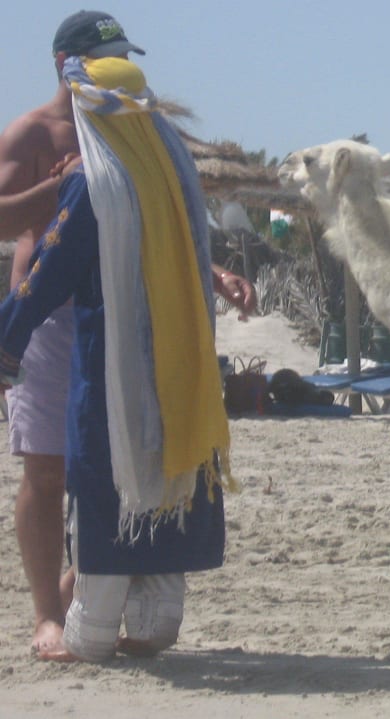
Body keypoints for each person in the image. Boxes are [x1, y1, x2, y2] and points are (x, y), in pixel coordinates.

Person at [0, 11, 245, 662]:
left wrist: (212, 272)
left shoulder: (137, 132)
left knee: (116, 460)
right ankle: (50, 615)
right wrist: (64, 187)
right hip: (51, 322)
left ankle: (93, 599)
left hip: (123, 313)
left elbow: (164, 225)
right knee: (50, 471)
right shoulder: (37, 133)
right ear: (68, 65)